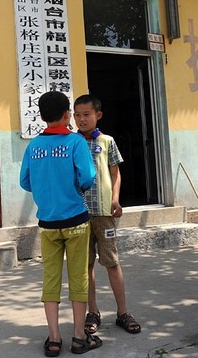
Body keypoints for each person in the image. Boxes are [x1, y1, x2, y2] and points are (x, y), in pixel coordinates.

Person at [20, 91, 103, 356]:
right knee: (78, 278)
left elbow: (25, 182)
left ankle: (54, 339)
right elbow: (88, 176)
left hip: (48, 223)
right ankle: (79, 337)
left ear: (42, 117)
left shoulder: (33, 146)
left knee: (51, 279)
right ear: (68, 115)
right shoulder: (76, 142)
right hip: (77, 221)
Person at [73, 94, 142, 335]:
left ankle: (123, 312)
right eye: (77, 115)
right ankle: (93, 312)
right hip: (79, 214)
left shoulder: (107, 142)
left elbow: (115, 174)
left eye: (86, 114)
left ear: (98, 115)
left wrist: (115, 198)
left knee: (112, 262)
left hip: (104, 213)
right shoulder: (71, 142)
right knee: (86, 265)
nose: (81, 119)